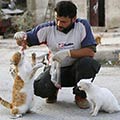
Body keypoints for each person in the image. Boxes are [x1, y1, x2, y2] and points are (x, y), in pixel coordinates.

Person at [14, 1, 101, 109]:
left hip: (76, 70)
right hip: (55, 70)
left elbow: (90, 51)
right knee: (39, 88)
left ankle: (80, 96)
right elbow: (26, 40)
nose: (59, 24)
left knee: (89, 64)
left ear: (73, 19)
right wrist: (19, 37)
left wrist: (68, 53)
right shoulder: (47, 28)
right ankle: (52, 91)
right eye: (57, 20)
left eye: (63, 22)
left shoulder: (82, 26)